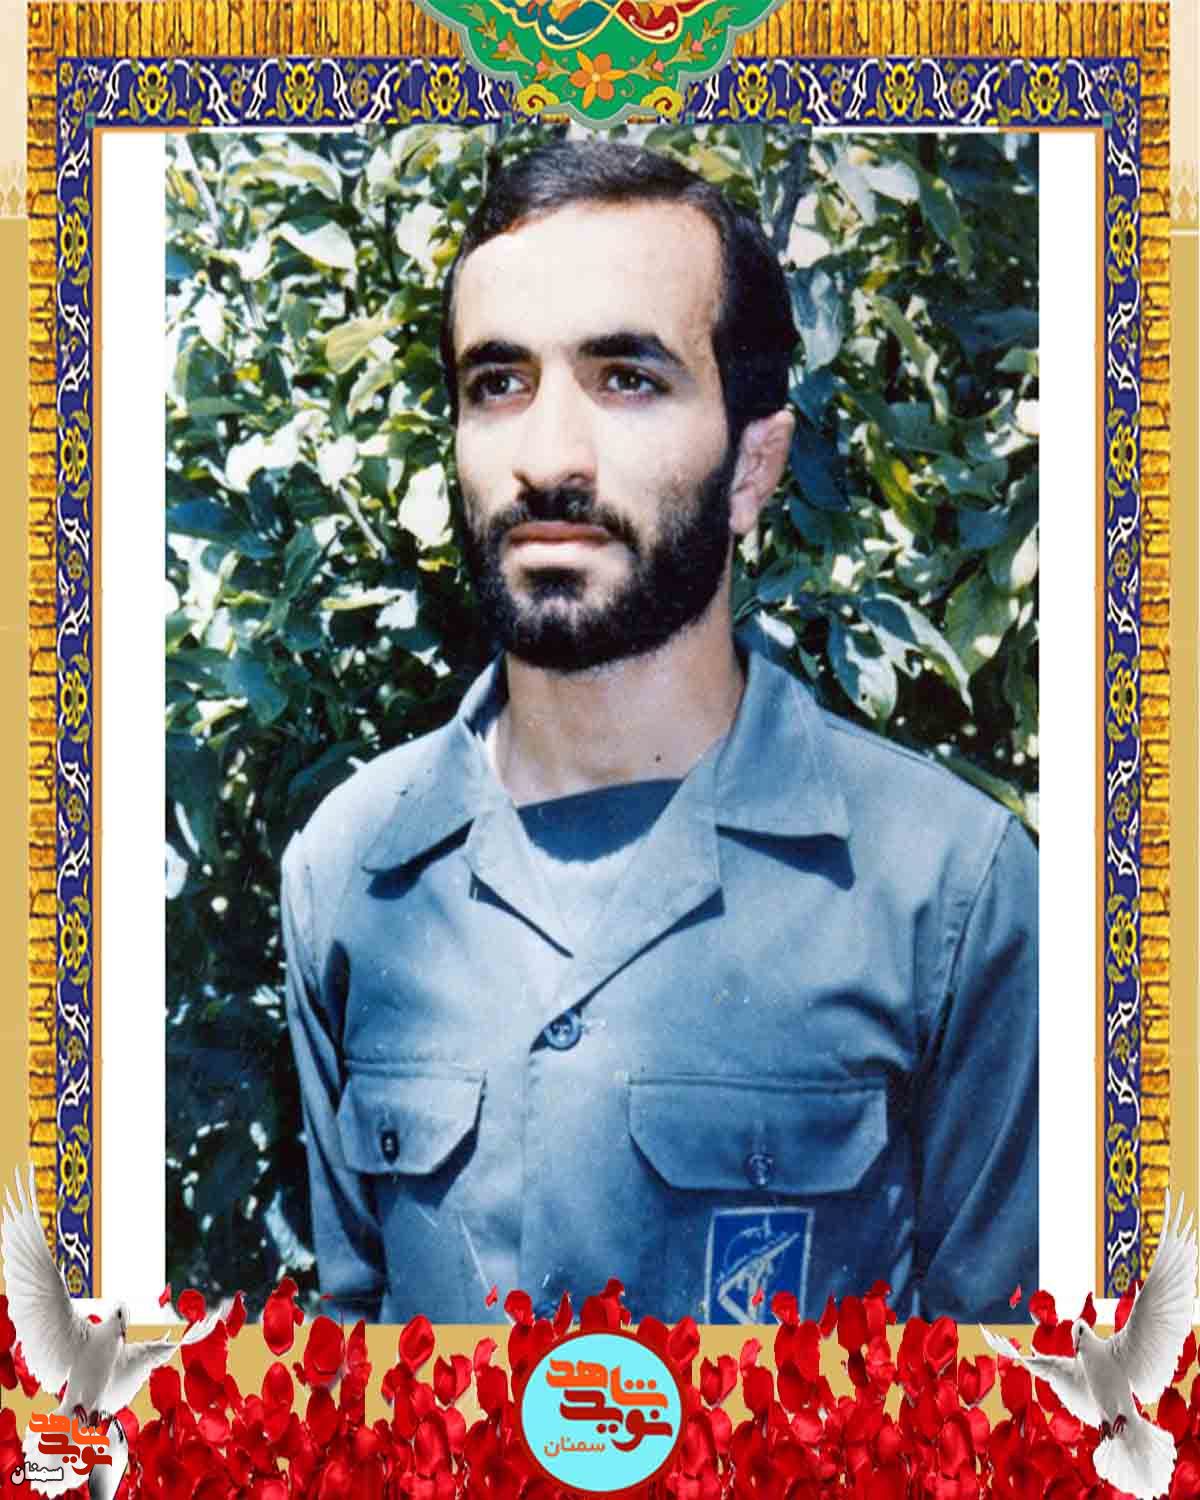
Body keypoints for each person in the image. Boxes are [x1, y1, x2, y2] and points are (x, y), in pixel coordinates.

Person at [281, 139, 1038, 1327]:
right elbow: (355, 1351)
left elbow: (1023, 1398)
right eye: (498, 383)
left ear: (753, 464)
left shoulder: (948, 891)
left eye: (628, 378)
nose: (548, 459)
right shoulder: (350, 873)